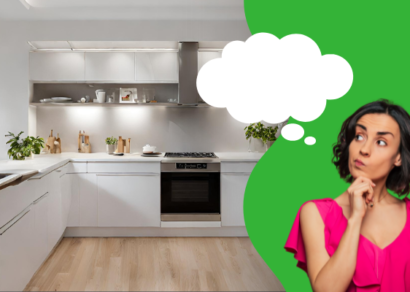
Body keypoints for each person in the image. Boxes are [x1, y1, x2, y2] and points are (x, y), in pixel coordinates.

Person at [284, 99, 410, 292]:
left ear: (398, 157)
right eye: (359, 136)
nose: (364, 150)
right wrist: (355, 219)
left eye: (381, 142)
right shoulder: (315, 213)